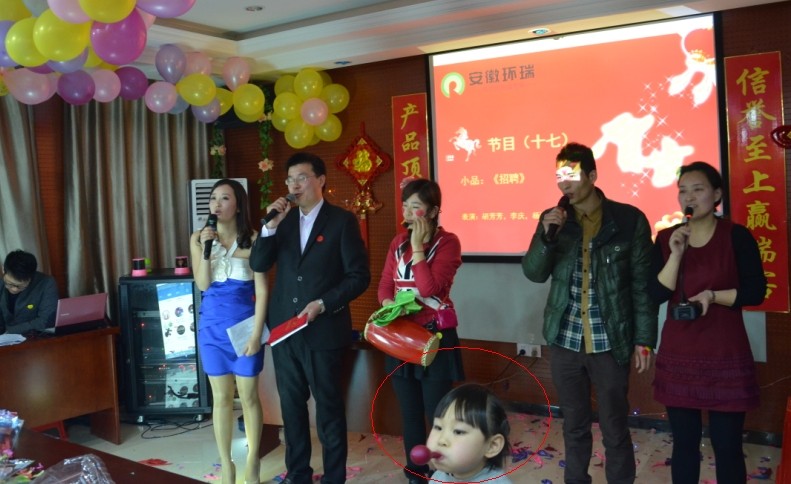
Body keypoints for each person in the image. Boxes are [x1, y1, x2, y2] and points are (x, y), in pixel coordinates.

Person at [521, 142, 657, 484]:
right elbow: (534, 272)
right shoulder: (555, 220)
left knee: (614, 426)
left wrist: (644, 339)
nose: (564, 183)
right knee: (574, 424)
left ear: (593, 176)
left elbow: (642, 285)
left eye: (572, 175)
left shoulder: (628, 219)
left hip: (609, 340)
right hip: (565, 340)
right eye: (559, 176)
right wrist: (546, 237)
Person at [249, 152, 370, 484]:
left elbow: (359, 276)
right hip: (285, 331)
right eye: (290, 180)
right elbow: (258, 264)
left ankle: (334, 477)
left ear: (321, 180)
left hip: (323, 330)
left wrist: (322, 303)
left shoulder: (342, 221)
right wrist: (269, 227)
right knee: (291, 408)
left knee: (329, 409)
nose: (294, 185)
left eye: (301, 178)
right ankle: (298, 473)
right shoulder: (282, 222)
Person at [647, 161, 766, 484]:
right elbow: (657, 293)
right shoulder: (667, 238)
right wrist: (675, 254)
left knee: (727, 447)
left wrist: (713, 296)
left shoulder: (737, 236)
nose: (689, 197)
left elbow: (756, 291)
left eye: (698, 189)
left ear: (716, 195)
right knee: (684, 446)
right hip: (680, 356)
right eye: (683, 191)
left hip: (724, 354)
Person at [377, 178, 464, 484]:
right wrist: (390, 304)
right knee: (410, 412)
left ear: (433, 211)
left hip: (433, 337)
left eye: (415, 207)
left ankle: (443, 472)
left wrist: (417, 248)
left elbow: (429, 288)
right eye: (405, 206)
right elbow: (385, 284)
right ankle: (416, 473)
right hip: (402, 336)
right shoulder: (396, 242)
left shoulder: (448, 243)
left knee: (438, 415)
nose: (407, 213)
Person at [190, 179, 268, 484]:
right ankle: (227, 464)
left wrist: (256, 334)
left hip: (245, 326)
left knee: (248, 396)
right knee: (221, 398)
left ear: (238, 205)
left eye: (225, 198)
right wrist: (206, 250)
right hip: (211, 328)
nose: (217, 204)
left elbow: (263, 291)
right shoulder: (198, 238)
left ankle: (253, 460)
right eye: (213, 198)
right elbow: (202, 284)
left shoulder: (254, 239)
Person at [425, 383, 513, 484]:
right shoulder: (437, 477)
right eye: (438, 427)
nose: (441, 440)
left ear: (492, 446)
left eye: (458, 431)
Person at [0, 250, 58, 334]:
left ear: (32, 276)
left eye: (20, 286)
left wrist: (10, 331)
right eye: (10, 284)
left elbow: (46, 320)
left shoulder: (46, 283)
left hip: (34, 336)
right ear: (3, 269)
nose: (14, 289)